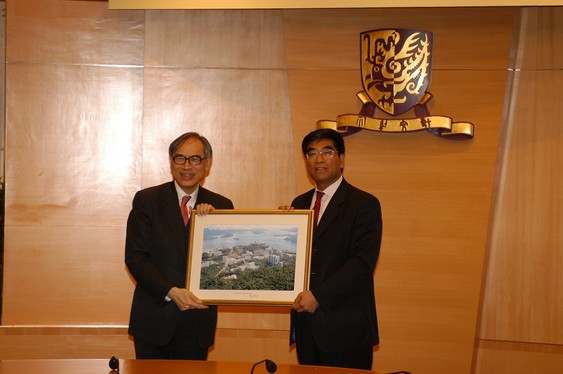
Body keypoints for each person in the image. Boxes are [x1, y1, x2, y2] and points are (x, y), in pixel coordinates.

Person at [125, 132, 234, 360]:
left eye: (195, 159)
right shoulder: (147, 200)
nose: (187, 166)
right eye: (180, 158)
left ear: (207, 164)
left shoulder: (221, 205)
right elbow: (135, 257)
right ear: (171, 161)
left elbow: (228, 254)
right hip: (155, 319)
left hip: (197, 321)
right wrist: (171, 292)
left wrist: (214, 225)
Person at [282, 128, 382, 370]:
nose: (318, 159)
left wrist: (319, 296)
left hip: (346, 329)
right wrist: (284, 230)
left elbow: (361, 265)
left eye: (327, 152)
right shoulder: (299, 204)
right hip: (307, 326)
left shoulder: (364, 204)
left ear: (342, 158)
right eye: (311, 153)